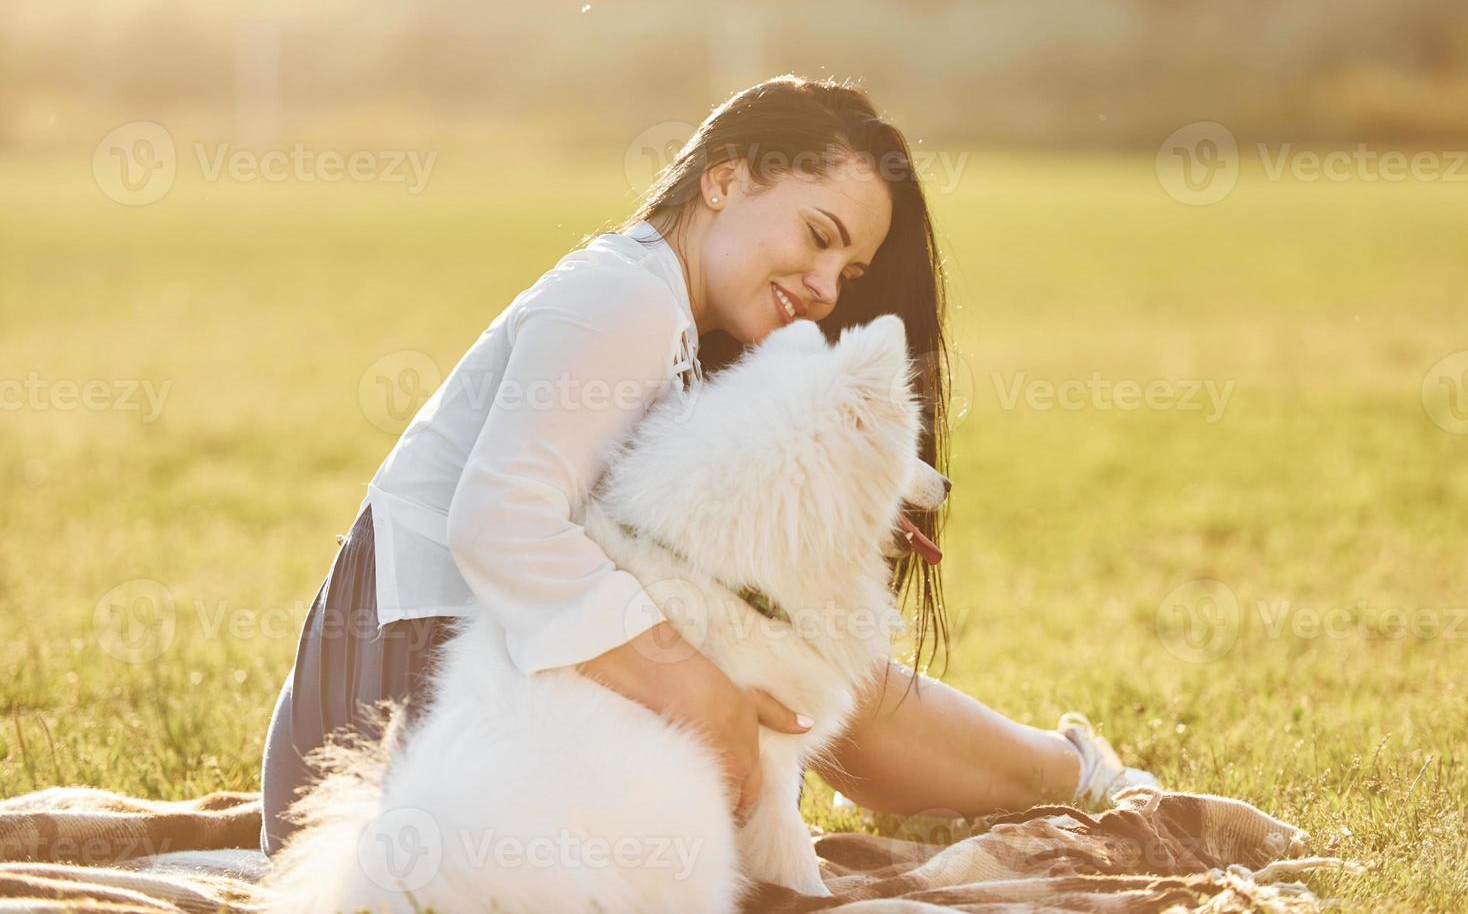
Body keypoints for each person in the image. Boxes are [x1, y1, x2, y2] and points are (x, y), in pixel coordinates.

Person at [258, 74, 1156, 858]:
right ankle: (1079, 772)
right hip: (400, 725)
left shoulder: (667, 314)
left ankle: (1065, 772)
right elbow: (501, 519)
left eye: (850, 267)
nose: (827, 284)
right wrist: (699, 691)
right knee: (797, 665)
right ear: (724, 178)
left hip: (452, 707)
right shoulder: (623, 296)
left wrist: (849, 504)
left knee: (799, 653)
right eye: (817, 233)